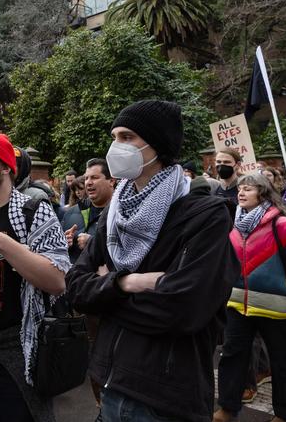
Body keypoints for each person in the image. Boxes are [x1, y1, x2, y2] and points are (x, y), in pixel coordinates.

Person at [65, 100, 239, 422]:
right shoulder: (114, 214)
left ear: (156, 144)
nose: (116, 147)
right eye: (115, 137)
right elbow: (75, 288)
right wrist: (127, 282)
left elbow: (183, 309)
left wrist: (104, 292)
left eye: (127, 137)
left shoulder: (205, 215)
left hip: (166, 399)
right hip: (110, 386)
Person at [0, 133, 70, 422]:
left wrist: (1, 241)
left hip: (18, 355)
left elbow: (56, 280)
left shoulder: (34, 211)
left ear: (7, 167)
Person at [215, 173, 286, 422]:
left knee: (283, 364)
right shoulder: (235, 225)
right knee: (232, 358)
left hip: (276, 309)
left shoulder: (282, 224)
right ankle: (227, 408)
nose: (241, 193)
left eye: (248, 189)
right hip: (238, 305)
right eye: (240, 189)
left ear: (263, 193)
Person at [62, 158, 114, 263]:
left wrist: (92, 242)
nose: (88, 183)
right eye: (86, 178)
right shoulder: (70, 213)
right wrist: (64, 243)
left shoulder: (122, 213)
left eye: (94, 178)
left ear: (111, 181)